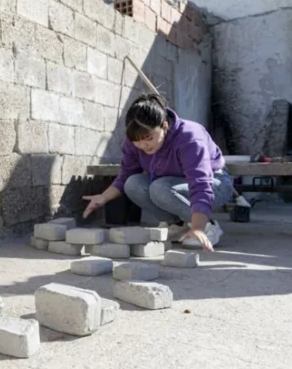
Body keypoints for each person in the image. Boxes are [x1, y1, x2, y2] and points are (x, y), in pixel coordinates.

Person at [82, 94, 234, 251]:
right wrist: (103, 197)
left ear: (165, 126)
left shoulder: (189, 138)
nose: (143, 145)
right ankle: (178, 225)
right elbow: (126, 174)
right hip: (169, 184)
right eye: (137, 141)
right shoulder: (133, 142)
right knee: (133, 184)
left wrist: (198, 226)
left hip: (215, 182)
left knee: (159, 188)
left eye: (148, 138)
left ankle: (207, 226)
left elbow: (200, 183)